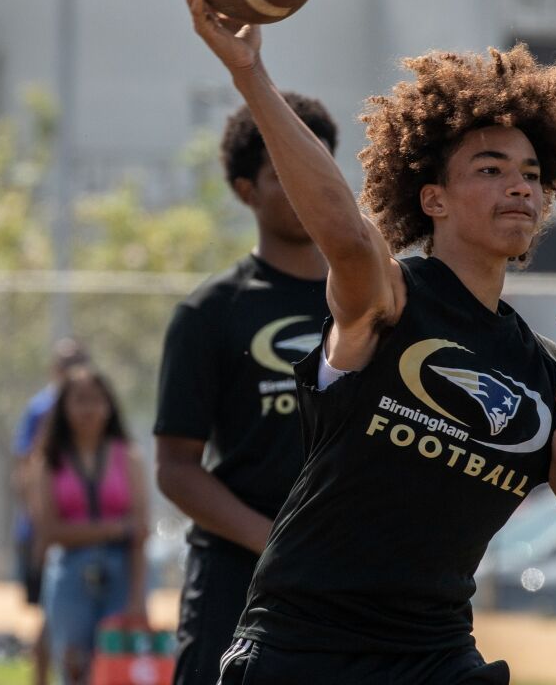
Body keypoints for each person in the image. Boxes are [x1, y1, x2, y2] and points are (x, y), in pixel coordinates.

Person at [183, 0, 556, 685]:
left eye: (531, 174)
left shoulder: (546, 374)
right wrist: (250, 78)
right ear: (434, 200)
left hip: (434, 658)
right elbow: (350, 238)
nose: (518, 184)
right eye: (489, 168)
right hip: (303, 649)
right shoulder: (390, 301)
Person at [153, 92, 338, 685]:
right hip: (237, 581)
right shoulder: (210, 312)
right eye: (283, 171)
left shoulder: (376, 303)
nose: (309, 183)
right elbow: (176, 468)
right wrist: (276, 544)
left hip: (348, 583)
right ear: (244, 190)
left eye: (319, 163)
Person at [29, 366, 150, 685]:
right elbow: (51, 531)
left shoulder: (128, 456)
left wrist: (138, 597)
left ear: (109, 406)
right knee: (73, 667)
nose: (89, 409)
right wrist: (116, 528)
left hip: (122, 569)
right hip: (69, 572)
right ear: (63, 408)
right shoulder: (50, 460)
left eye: (97, 400)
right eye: (79, 400)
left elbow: (140, 530)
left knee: (118, 665)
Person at [12, 337, 90, 685]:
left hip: (86, 531)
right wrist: (41, 523)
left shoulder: (92, 405)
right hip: (48, 531)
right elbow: (26, 468)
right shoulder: (41, 409)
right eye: (67, 362)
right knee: (49, 611)